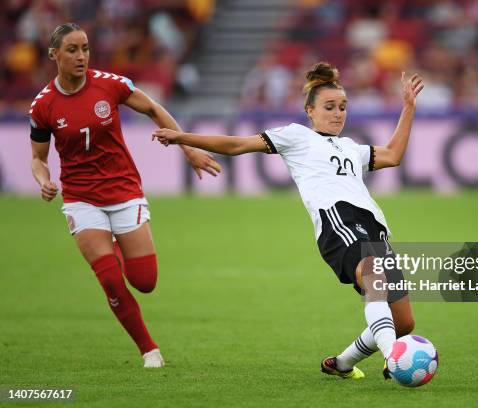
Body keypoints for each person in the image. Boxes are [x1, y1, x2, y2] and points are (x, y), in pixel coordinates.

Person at [153, 62, 423, 379]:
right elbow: (237, 144)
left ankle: (343, 364)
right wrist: (182, 137)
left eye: (343, 107)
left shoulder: (350, 148)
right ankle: (394, 357)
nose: (338, 114)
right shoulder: (296, 136)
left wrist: (408, 107)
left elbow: (392, 155)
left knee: (404, 322)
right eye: (330, 107)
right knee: (375, 279)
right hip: (338, 221)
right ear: (310, 110)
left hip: (375, 227)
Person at [29, 23, 221, 368]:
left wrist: (188, 147)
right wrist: (43, 179)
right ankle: (149, 350)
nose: (81, 56)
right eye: (72, 49)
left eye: (85, 48)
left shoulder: (110, 85)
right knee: (110, 280)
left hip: (123, 191)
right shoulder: (43, 106)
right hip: (80, 198)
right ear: (54, 54)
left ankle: (114, 245)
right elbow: (38, 158)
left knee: (145, 282)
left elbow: (152, 108)